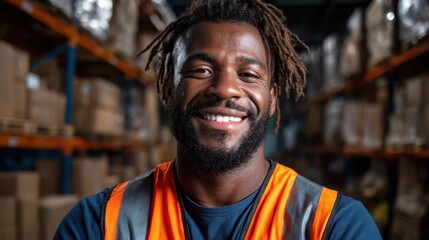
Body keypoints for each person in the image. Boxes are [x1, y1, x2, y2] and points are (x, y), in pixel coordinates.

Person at [55, 0, 382, 239]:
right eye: (201, 70)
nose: (225, 88)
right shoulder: (97, 225)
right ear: (169, 89)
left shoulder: (335, 226)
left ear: (271, 99)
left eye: (248, 74)